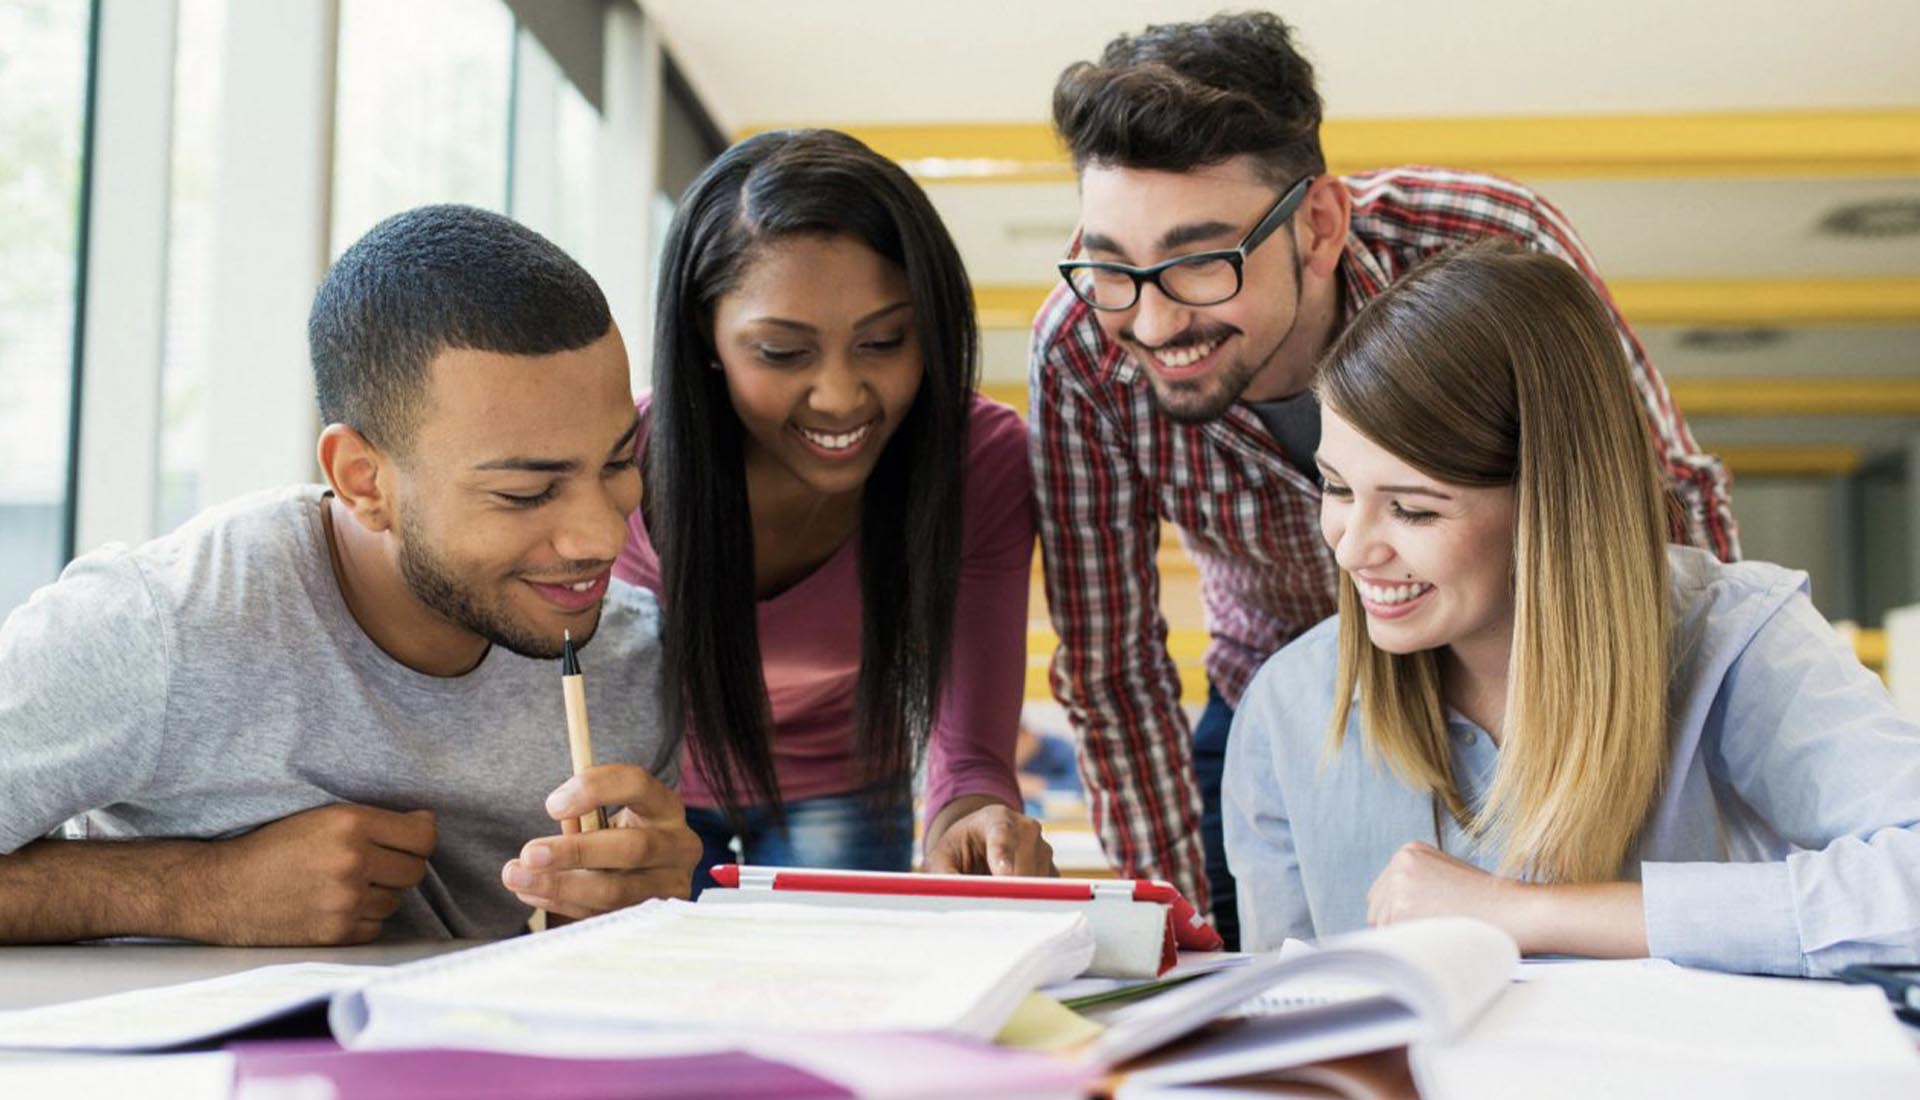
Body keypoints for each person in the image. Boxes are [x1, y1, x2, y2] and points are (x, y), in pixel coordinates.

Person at [1029, 11, 1737, 945]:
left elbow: (1659, 497)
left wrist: (1698, 724)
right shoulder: (1083, 348)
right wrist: (1174, 930)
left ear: (1318, 225)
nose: (1153, 324)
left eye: (1199, 265)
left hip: (1538, 694)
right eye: (1114, 268)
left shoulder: (1482, 244)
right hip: (1277, 707)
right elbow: (1114, 666)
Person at [0, 205, 700, 944]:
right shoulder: (156, 626)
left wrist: (637, 920)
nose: (600, 534)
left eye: (620, 462)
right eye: (525, 493)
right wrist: (193, 892)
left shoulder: (634, 660)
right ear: (363, 480)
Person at [1224, 240, 1920, 976]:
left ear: (1550, 510)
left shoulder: (1735, 639)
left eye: (1413, 511)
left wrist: (1523, 911)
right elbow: (1283, 1028)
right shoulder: (1287, 707)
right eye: (1338, 489)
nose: (1353, 547)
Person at [620, 129, 1050, 892]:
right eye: (783, 353)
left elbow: (973, 750)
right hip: (647, 786)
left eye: (886, 341)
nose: (842, 396)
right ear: (703, 331)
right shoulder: (620, 463)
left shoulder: (976, 460)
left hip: (845, 780)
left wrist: (972, 816)